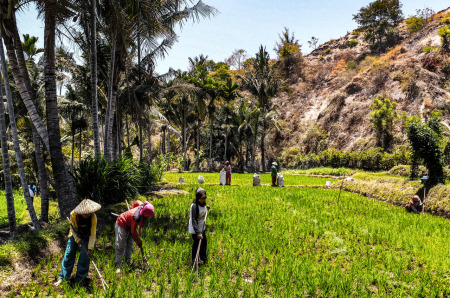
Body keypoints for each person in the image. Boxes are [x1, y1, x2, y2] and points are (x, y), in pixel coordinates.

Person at [54, 199, 101, 286]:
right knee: (69, 254)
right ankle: (63, 278)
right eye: (85, 213)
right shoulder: (74, 214)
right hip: (74, 234)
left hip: (86, 235)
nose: (87, 215)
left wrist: (90, 248)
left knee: (85, 256)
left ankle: (80, 278)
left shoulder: (93, 217)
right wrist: (77, 239)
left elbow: (93, 234)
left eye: (88, 213)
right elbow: (73, 229)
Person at [115, 201, 154, 270]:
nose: (147, 218)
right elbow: (133, 232)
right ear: (144, 214)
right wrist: (139, 242)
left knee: (129, 245)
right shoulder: (136, 217)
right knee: (120, 246)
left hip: (130, 224)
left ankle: (127, 263)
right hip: (122, 223)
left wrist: (132, 209)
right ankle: (118, 265)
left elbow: (137, 202)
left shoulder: (142, 206)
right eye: (147, 217)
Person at [189, 187, 210, 265]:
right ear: (197, 197)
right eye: (201, 198)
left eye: (204, 198)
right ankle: (195, 261)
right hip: (195, 229)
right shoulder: (194, 206)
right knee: (197, 245)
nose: (202, 200)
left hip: (202, 228)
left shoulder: (203, 204)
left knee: (204, 244)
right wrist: (198, 233)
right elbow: (193, 220)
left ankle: (204, 259)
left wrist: (206, 209)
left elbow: (202, 213)